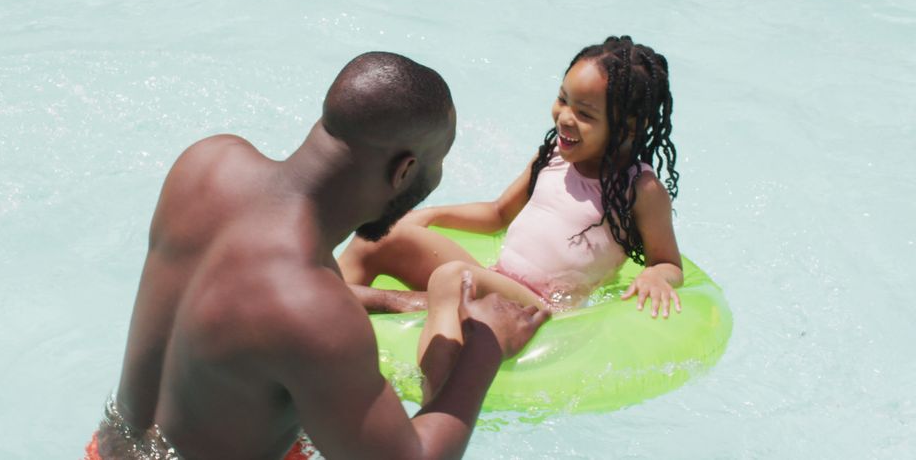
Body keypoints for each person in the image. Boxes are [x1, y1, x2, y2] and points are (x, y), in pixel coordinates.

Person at [85, 52, 549, 460]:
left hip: (109, 448)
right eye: (438, 161)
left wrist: (385, 300)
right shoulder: (314, 312)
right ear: (405, 169)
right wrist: (486, 344)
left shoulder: (206, 163)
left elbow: (240, 298)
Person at [337, 36, 684, 400]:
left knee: (453, 277)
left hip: (542, 309)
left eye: (585, 114)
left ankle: (434, 401)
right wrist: (430, 214)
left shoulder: (640, 190)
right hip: (499, 280)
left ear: (628, 127)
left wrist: (656, 276)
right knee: (381, 234)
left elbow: (667, 262)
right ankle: (321, 327)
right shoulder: (550, 156)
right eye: (563, 99)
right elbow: (498, 213)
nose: (565, 117)